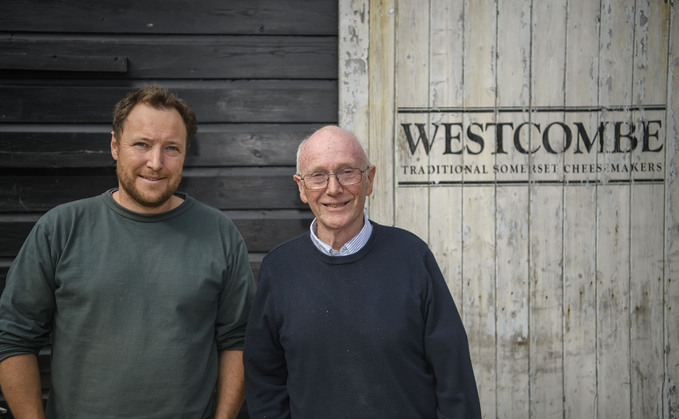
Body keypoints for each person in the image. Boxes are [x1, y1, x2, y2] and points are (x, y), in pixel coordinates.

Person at [0, 85, 256, 419]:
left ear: (186, 154)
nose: (156, 162)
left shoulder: (219, 234)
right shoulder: (60, 229)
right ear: (115, 146)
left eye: (172, 148)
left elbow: (239, 340)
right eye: (142, 144)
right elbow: (15, 337)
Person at [243, 125, 481, 418]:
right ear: (301, 188)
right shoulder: (278, 269)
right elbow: (264, 381)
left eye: (347, 172)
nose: (333, 188)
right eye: (318, 175)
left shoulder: (412, 256)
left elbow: (453, 376)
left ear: (369, 180)